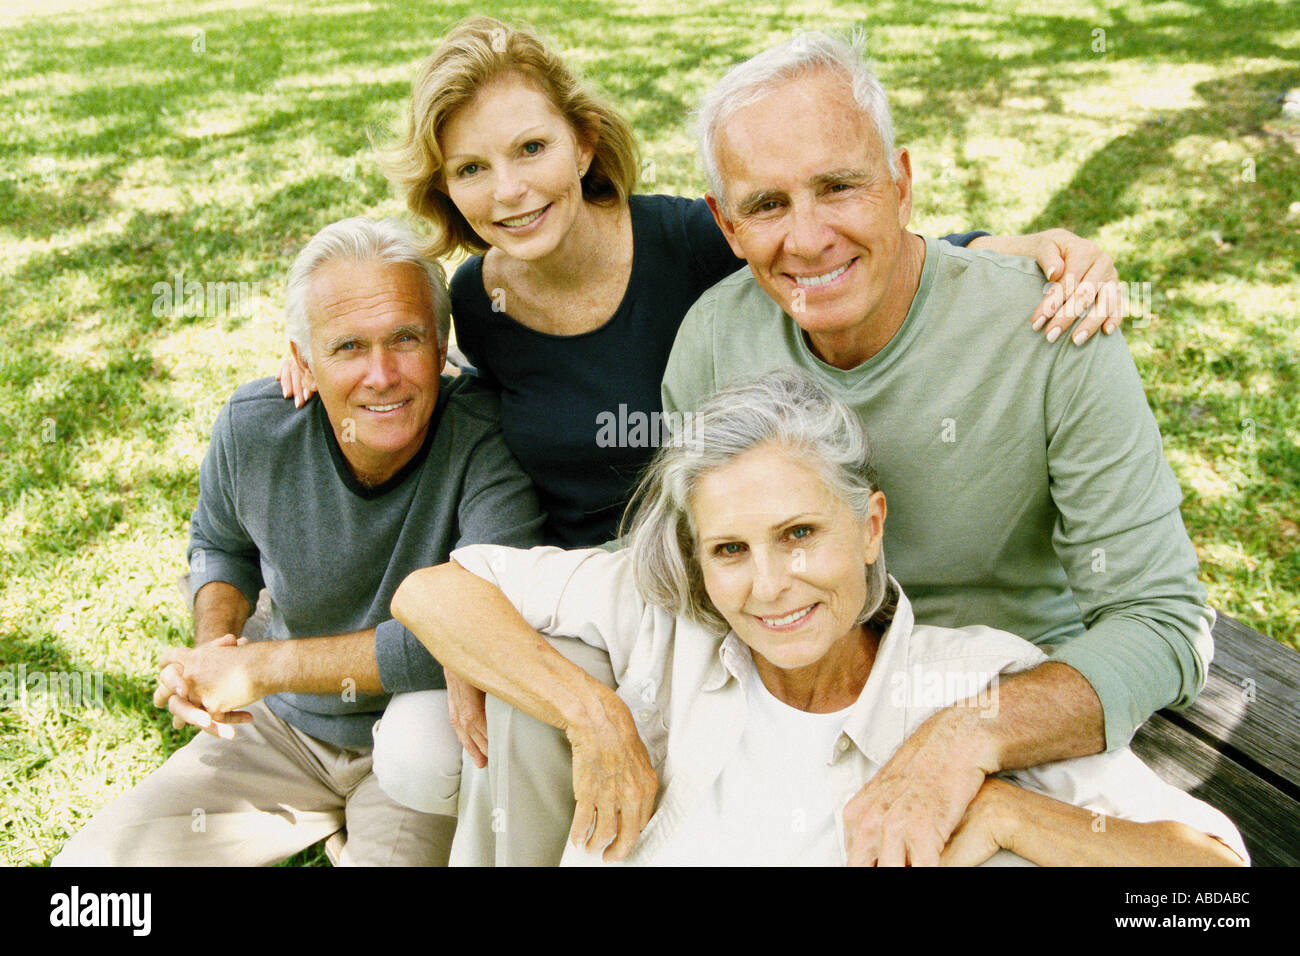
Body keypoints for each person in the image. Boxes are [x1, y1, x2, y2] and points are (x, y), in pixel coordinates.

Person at [657, 32, 1216, 865]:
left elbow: (1162, 621)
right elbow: (689, 572)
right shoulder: (713, 337)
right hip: (799, 701)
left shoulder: (1051, 328)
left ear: (902, 183)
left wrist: (964, 736)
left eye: (839, 186)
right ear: (725, 225)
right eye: (768, 205)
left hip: (1017, 706)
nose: (807, 239)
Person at [281, 15, 1122, 551]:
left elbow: (829, 251)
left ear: (581, 143)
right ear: (447, 189)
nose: (509, 190)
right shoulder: (476, 302)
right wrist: (315, 365)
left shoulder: (690, 240)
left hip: (720, 567)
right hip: (571, 582)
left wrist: (1011, 246)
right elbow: (429, 381)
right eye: (471, 167)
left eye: (530, 149)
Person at [389, 371, 1246, 867]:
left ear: (870, 527)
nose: (768, 587)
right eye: (730, 550)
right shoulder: (668, 621)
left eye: (800, 534)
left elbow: (1210, 884)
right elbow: (431, 591)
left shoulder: (968, 681)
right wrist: (593, 713)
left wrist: (1007, 814)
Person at [53, 217, 543, 866]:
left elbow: (479, 628)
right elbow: (221, 544)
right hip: (278, 728)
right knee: (88, 880)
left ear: (441, 341)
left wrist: (259, 667)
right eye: (346, 347)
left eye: (405, 338)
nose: (382, 374)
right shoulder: (256, 427)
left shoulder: (486, 438)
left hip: (417, 738)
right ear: (302, 358)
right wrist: (215, 652)